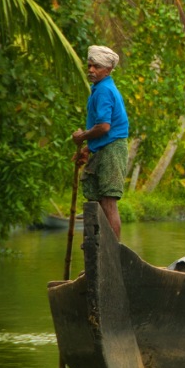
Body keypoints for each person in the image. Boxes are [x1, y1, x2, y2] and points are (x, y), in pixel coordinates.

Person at [72, 45, 129, 240]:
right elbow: (106, 131)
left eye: (96, 66)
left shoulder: (104, 90)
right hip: (105, 148)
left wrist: (83, 137)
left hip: (113, 151)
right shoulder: (100, 89)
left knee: (108, 201)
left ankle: (112, 255)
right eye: (89, 66)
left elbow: (104, 127)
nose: (91, 70)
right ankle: (98, 251)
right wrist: (88, 148)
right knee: (96, 200)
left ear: (108, 69)